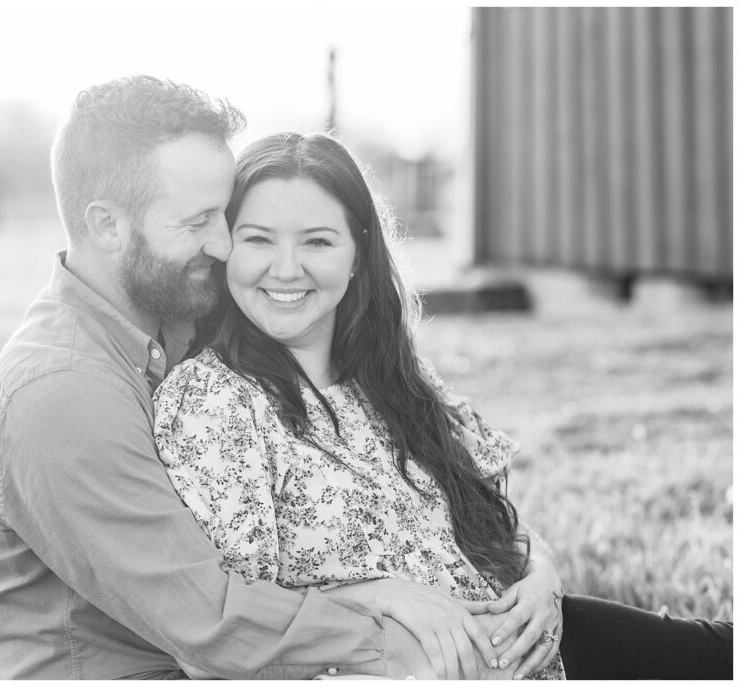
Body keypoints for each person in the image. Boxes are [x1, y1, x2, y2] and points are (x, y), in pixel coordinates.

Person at [153, 131, 733, 680]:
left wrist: (542, 576)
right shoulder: (213, 400)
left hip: (544, 648)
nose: (285, 268)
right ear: (228, 249)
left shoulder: (390, 379)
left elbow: (495, 515)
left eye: (317, 241)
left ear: (358, 254)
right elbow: (234, 620)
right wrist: (379, 595)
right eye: (258, 239)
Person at [0, 76, 472, 679]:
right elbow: (212, 625)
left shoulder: (171, 317)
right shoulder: (61, 394)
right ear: (107, 226)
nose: (223, 245)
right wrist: (424, 648)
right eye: (198, 221)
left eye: (224, 216)